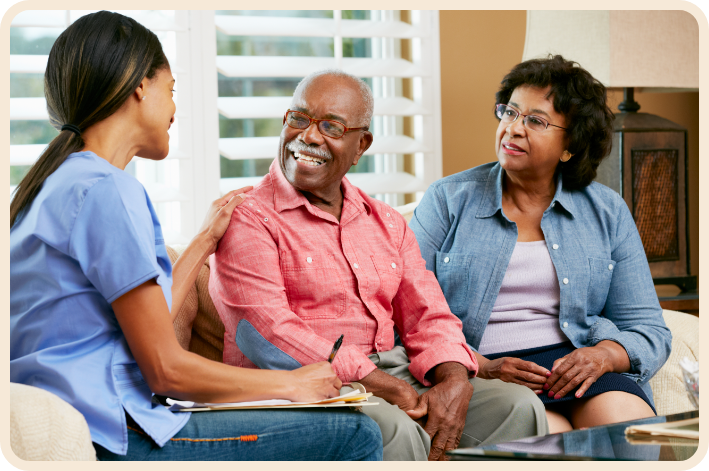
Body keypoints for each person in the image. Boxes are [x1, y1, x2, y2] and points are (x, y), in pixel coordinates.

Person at [9, 11, 382, 461]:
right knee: (355, 434)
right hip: (116, 433)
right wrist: (291, 383)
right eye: (171, 91)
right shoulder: (108, 190)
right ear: (140, 87)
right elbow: (166, 369)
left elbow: (150, 329)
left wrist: (206, 239)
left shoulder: (55, 184)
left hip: (78, 419)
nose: (173, 109)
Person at [209, 69, 549, 462]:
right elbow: (266, 334)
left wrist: (453, 379)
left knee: (517, 407)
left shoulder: (385, 221)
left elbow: (429, 315)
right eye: (299, 119)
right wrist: (386, 387)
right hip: (305, 387)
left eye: (331, 127)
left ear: (361, 145)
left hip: (394, 373)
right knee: (393, 428)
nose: (309, 136)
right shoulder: (249, 217)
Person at [409, 55, 672, 433]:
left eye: (535, 121)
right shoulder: (448, 200)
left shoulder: (606, 210)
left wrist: (604, 355)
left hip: (577, 367)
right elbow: (408, 313)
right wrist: (479, 365)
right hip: (485, 369)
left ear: (570, 146)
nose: (513, 129)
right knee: (552, 440)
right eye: (510, 113)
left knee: (628, 430)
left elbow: (648, 327)